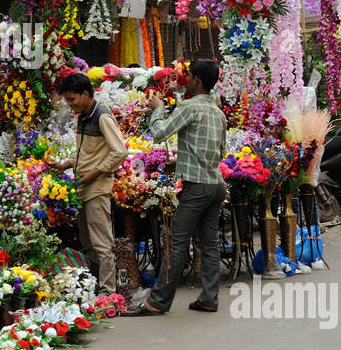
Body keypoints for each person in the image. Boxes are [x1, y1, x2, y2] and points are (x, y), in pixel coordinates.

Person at [128, 59, 228, 316]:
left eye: (190, 75)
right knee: (209, 244)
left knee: (176, 243)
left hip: (197, 188)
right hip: (215, 185)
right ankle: (209, 298)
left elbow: (160, 133)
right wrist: (182, 160)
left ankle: (158, 301)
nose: (187, 79)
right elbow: (220, 152)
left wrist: (159, 109)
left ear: (197, 80)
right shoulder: (218, 112)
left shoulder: (189, 107)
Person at [53, 72, 128, 296]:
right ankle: (96, 288)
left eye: (72, 99)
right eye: (67, 99)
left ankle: (108, 293)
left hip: (96, 188)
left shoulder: (102, 116)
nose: (69, 104)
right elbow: (86, 153)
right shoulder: (83, 116)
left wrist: (94, 173)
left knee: (102, 244)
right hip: (82, 188)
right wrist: (65, 164)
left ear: (85, 94)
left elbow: (120, 152)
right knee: (88, 243)